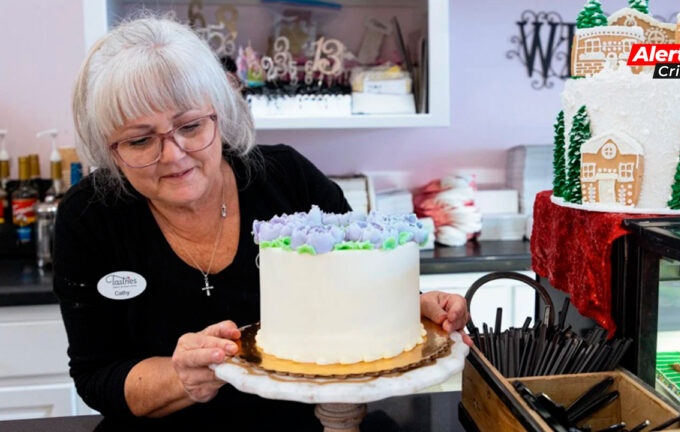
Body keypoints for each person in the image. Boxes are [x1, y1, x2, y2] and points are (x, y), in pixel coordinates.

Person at [55, 16, 470, 428]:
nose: (174, 154)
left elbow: (353, 285)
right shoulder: (88, 217)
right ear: (108, 147)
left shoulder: (287, 179)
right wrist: (178, 375)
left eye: (191, 125)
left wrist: (411, 305)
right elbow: (97, 377)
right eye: (140, 139)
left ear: (220, 114)